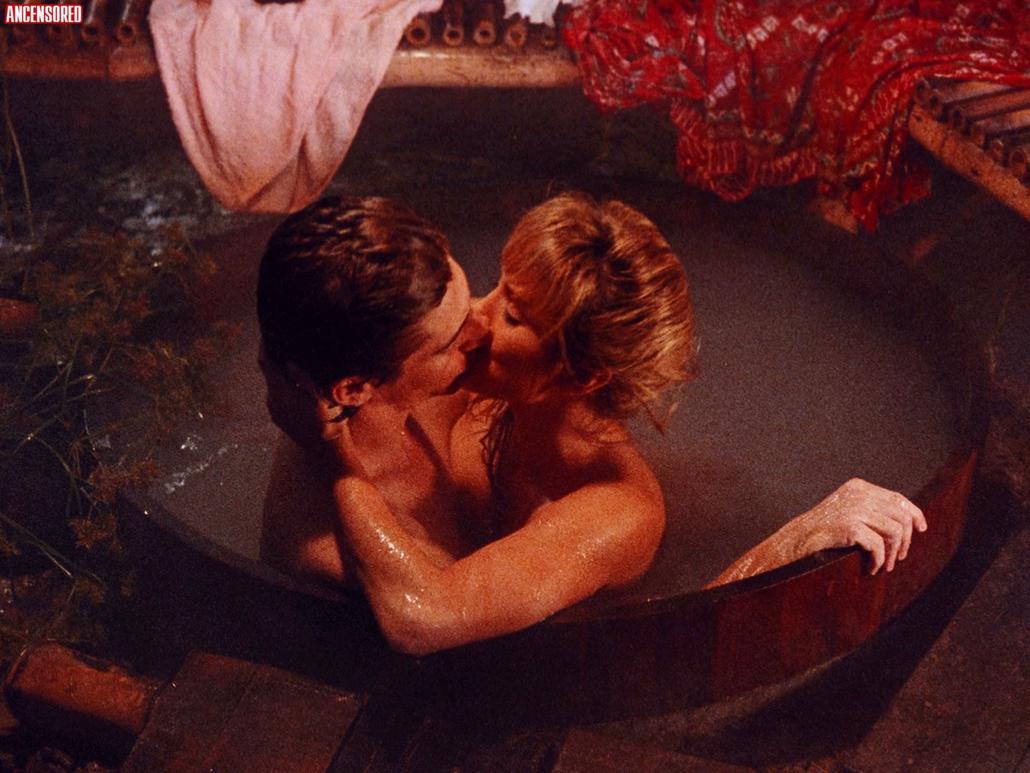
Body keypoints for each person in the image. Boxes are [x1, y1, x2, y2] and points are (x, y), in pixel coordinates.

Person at [260, 193, 926, 656]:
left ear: (579, 375)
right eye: (499, 284)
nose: (476, 318)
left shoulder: (613, 510)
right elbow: (318, 349)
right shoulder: (462, 388)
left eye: (512, 315)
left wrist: (786, 549)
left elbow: (652, 657)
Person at [257, 195, 488, 588]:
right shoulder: (335, 554)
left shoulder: (391, 339)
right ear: (354, 389)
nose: (484, 329)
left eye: (468, 306)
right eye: (452, 342)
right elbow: (448, 606)